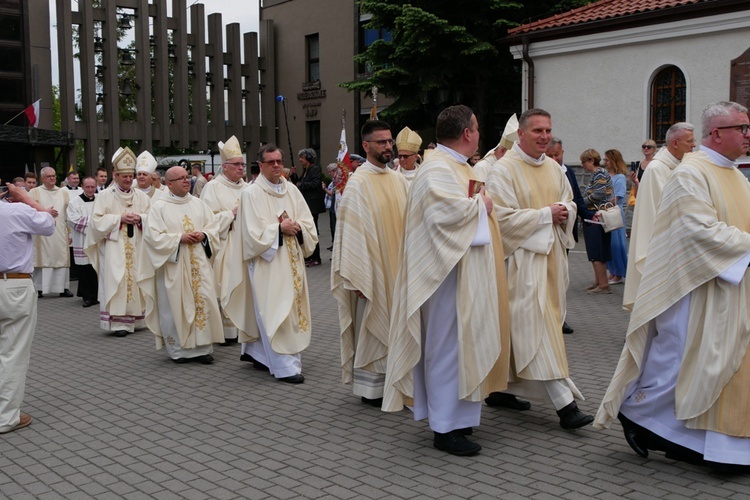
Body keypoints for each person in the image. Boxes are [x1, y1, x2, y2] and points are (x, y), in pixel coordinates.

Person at [594, 101, 750, 472]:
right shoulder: (691, 173)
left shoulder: (736, 175)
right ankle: (636, 414)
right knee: (684, 365)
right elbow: (699, 231)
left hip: (730, 287)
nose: (748, 135)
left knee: (718, 365)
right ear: (717, 133)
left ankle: (704, 442)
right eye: (742, 128)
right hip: (693, 289)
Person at [384, 105, 511, 456]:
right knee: (446, 348)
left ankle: (459, 419)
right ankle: (444, 428)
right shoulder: (436, 169)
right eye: (477, 128)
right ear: (468, 133)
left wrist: (479, 204)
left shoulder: (457, 166)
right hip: (442, 277)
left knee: (463, 345)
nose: (479, 134)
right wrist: (481, 206)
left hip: (463, 273)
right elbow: (444, 215)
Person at [485, 108, 592, 430]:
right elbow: (499, 221)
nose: (544, 137)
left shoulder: (554, 168)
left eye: (548, 130)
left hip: (553, 260)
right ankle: (566, 406)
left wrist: (564, 210)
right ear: (521, 134)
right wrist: (546, 214)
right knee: (541, 331)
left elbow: (570, 203)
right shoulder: (503, 170)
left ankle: (500, 389)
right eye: (537, 131)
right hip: (521, 263)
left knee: (520, 330)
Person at [225, 144, 318, 384]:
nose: (276, 165)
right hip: (268, 262)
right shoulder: (251, 193)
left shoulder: (292, 190)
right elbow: (249, 234)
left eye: (279, 161)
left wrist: (298, 227)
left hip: (293, 259)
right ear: (261, 166)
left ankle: (258, 354)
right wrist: (279, 228)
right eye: (270, 162)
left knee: (292, 309)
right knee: (274, 309)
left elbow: (308, 222)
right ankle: (284, 366)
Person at [332, 119, 408, 407]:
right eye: (381, 142)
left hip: (399, 267)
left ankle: (396, 380)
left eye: (390, 141)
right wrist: (358, 277)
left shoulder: (398, 179)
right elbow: (350, 233)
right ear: (366, 146)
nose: (388, 146)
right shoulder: (358, 183)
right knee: (374, 324)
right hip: (372, 270)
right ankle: (372, 389)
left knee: (397, 324)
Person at [138, 166, 222, 364]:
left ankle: (203, 347)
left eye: (187, 177)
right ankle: (179, 350)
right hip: (173, 267)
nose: (186, 181)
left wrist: (205, 235)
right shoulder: (159, 207)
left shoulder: (199, 204)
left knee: (203, 302)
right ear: (169, 184)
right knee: (175, 305)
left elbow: (213, 228)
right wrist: (179, 238)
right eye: (181, 179)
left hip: (199, 264)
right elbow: (152, 238)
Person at [0, 182, 55, 434]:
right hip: (13, 286)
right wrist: (27, 199)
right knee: (12, 352)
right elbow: (48, 224)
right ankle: (4, 417)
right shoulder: (16, 211)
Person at [622, 122, 695, 310]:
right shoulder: (657, 169)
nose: (694, 145)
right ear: (675, 143)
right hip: (659, 245)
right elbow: (659, 213)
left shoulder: (676, 166)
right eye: (690, 141)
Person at [84, 147, 151, 337]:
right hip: (114, 247)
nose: (128, 179)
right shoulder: (104, 196)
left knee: (136, 279)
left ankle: (137, 319)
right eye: (124, 176)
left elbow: (153, 218)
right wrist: (119, 219)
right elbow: (96, 222)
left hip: (137, 246)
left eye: (131, 176)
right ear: (115, 174)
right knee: (117, 280)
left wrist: (140, 219)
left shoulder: (142, 197)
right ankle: (118, 323)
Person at [200, 135, 248, 347]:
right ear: (225, 167)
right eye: (236, 165)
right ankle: (228, 333)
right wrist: (231, 214)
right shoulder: (213, 187)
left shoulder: (248, 188)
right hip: (225, 245)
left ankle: (245, 328)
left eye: (242, 164)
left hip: (245, 245)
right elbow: (206, 220)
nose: (241, 168)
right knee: (227, 285)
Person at [547, 137, 586, 335]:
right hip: (546, 232)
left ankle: (561, 317)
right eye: (551, 155)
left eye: (558, 154)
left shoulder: (568, 171)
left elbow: (576, 197)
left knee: (562, 277)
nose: (555, 159)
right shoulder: (543, 172)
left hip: (565, 231)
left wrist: (588, 216)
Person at [30, 166, 74, 298]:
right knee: (43, 257)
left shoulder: (63, 193)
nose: (52, 178)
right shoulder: (34, 192)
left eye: (54, 175)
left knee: (61, 257)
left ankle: (63, 288)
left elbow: (68, 214)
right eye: (49, 176)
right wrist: (44, 211)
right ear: (42, 178)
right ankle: (40, 288)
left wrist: (70, 232)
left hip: (60, 231)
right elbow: (29, 211)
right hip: (41, 233)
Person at [579, 149, 614, 294]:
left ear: (591, 161)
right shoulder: (598, 174)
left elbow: (599, 194)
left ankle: (604, 284)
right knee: (594, 251)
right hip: (595, 216)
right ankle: (599, 281)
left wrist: (581, 203)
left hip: (597, 217)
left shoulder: (599, 173)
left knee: (598, 251)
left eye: (584, 162)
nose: (582, 165)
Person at [66, 176, 99, 307]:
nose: (90, 189)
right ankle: (87, 297)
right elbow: (73, 220)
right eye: (87, 187)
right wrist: (95, 224)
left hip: (98, 240)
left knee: (96, 269)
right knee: (84, 269)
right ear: (82, 187)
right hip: (82, 240)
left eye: (93, 187)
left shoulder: (101, 199)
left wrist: (96, 223)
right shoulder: (74, 202)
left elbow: (106, 217)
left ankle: (97, 295)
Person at [291, 148, 325, 267]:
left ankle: (316, 258)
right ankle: (310, 256)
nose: (300, 160)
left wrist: (302, 185)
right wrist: (294, 174)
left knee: (313, 230)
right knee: (308, 230)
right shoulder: (305, 170)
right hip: (308, 205)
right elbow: (298, 184)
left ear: (309, 158)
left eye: (302, 157)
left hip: (313, 205)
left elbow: (315, 184)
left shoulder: (314, 169)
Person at [603, 149, 629, 285]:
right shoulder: (606, 175)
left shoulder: (620, 177)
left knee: (617, 244)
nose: (604, 162)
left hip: (614, 213)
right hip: (607, 211)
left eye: (607, 160)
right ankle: (612, 271)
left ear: (613, 161)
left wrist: (605, 203)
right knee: (609, 244)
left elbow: (618, 196)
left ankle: (619, 272)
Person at [472, 114, 517, 182]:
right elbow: (477, 192)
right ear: (502, 151)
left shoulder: (508, 168)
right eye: (511, 155)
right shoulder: (482, 168)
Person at [322, 163, 339, 250]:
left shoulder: (338, 180)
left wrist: (324, 188)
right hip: (332, 206)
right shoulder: (333, 180)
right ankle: (333, 244)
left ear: (334, 171)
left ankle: (336, 246)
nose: (329, 173)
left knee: (335, 227)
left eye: (330, 172)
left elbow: (332, 193)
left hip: (336, 207)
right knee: (332, 227)